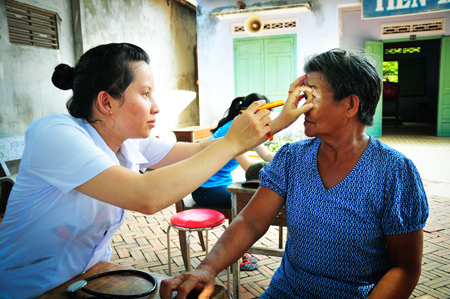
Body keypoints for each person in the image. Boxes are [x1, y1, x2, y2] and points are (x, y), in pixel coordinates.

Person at [0, 43, 313, 299]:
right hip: (28, 289)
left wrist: (279, 120)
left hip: (88, 279)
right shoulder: (55, 134)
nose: (156, 106)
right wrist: (232, 141)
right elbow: (146, 196)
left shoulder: (127, 143)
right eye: (145, 93)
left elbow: (202, 151)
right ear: (107, 102)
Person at [160, 48, 429, 299]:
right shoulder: (293, 157)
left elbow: (405, 269)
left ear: (350, 105)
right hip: (285, 291)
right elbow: (251, 222)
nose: (299, 104)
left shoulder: (394, 172)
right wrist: (207, 268)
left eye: (310, 94)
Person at [192, 93, 275, 271]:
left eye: (270, 113)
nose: (269, 118)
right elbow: (249, 169)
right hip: (206, 189)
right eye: (265, 113)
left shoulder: (247, 127)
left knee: (244, 200)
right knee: (245, 203)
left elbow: (266, 156)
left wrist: (290, 158)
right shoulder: (235, 131)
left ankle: (235, 252)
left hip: (219, 185)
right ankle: (235, 254)